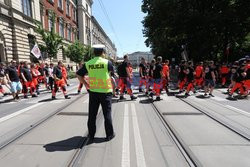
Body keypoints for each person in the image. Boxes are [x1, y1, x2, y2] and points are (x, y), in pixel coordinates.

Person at [76, 44, 115, 141]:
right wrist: (114, 89)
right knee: (107, 114)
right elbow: (112, 75)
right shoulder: (107, 63)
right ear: (103, 52)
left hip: (93, 92)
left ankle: (91, 135)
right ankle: (109, 135)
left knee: (92, 114)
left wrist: (86, 84)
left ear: (93, 52)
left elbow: (79, 74)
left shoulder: (88, 63)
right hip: (106, 92)